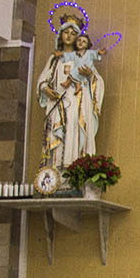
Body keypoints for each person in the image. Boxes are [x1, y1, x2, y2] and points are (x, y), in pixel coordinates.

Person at [37, 14, 105, 170]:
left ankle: (73, 169)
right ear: (60, 34)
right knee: (57, 136)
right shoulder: (55, 59)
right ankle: (54, 172)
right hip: (57, 103)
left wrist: (90, 76)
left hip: (76, 103)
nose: (69, 36)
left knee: (74, 133)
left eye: (73, 33)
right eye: (66, 32)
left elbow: (98, 82)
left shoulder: (82, 59)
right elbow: (42, 81)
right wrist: (46, 89)